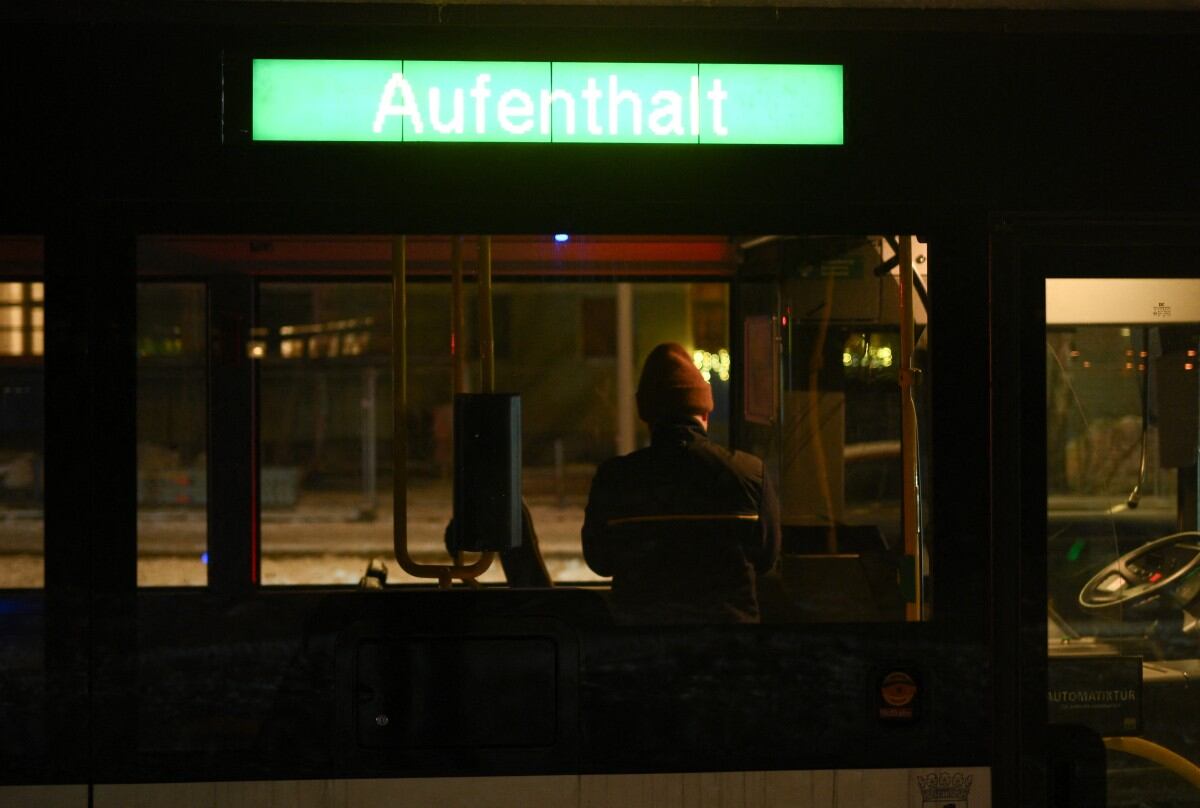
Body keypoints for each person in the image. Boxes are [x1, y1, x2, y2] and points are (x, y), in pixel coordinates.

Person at [582, 342, 781, 624]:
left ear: (646, 417)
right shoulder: (750, 474)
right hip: (731, 648)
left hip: (639, 648)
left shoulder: (615, 479)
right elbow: (766, 559)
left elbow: (599, 561)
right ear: (705, 413)